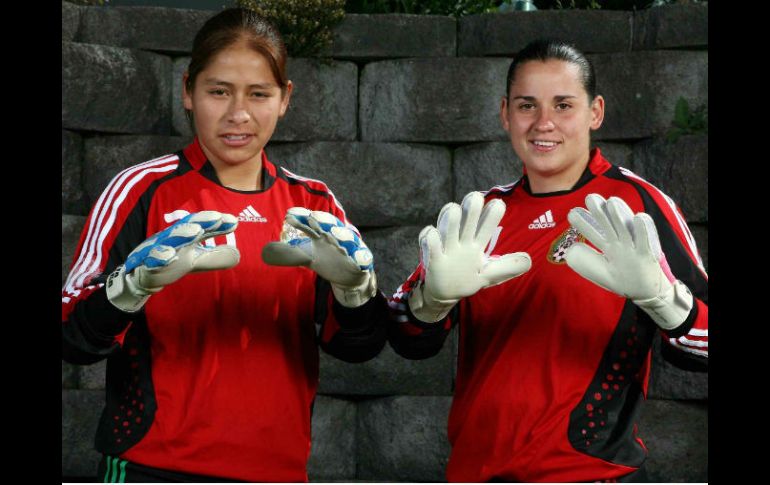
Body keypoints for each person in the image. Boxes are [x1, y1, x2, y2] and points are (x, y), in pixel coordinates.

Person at [61, 8, 387, 482]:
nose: (238, 114)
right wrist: (128, 289)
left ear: (285, 98)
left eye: (259, 94)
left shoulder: (312, 204)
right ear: (187, 91)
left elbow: (357, 348)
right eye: (218, 91)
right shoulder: (140, 190)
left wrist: (355, 292)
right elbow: (71, 335)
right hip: (155, 466)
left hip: (277, 471)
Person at [388, 39, 708, 482]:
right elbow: (405, 338)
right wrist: (431, 302)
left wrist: (663, 301)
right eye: (527, 106)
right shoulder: (481, 215)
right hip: (475, 472)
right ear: (505, 113)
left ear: (595, 112)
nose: (544, 124)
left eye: (563, 105)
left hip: (590, 472)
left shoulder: (638, 205)